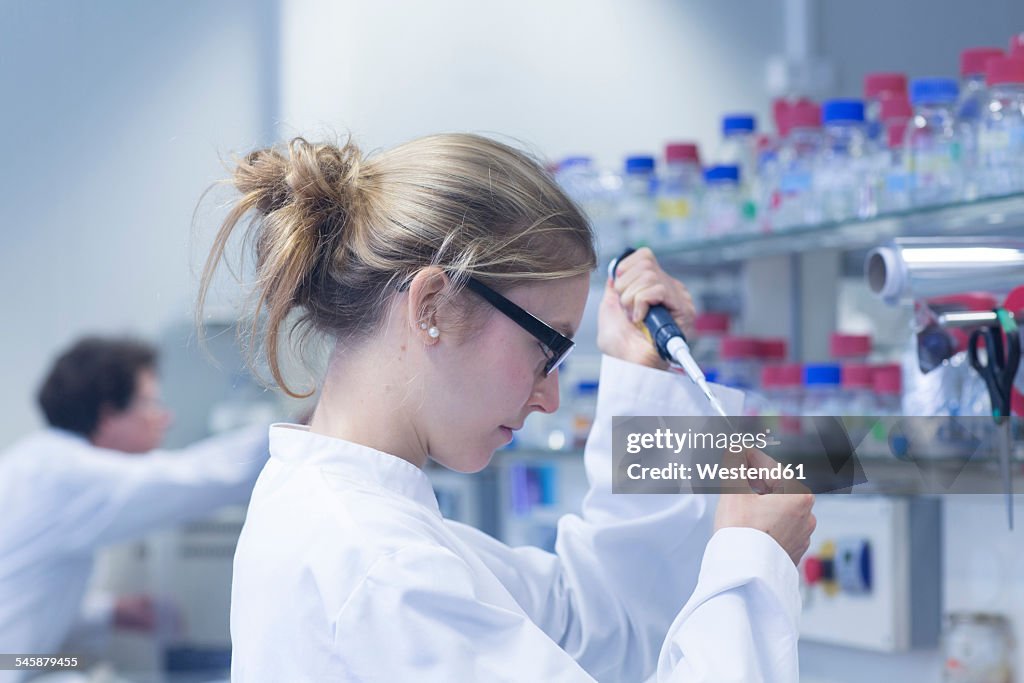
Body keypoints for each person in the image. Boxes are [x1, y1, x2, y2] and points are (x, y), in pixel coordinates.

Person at [206, 134, 815, 682]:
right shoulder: (382, 568)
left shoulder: (366, 521)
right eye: (545, 346)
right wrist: (752, 567)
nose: (549, 397)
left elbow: (607, 628)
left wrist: (641, 378)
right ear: (434, 306)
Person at [0, 337, 270, 683]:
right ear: (109, 415)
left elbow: (23, 599)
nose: (165, 418)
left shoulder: (40, 464)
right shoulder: (64, 474)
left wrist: (110, 613)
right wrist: (289, 433)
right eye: (151, 403)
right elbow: (194, 479)